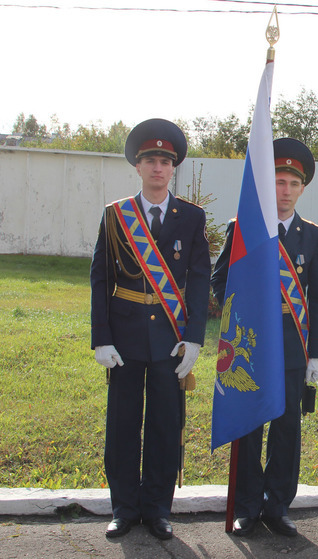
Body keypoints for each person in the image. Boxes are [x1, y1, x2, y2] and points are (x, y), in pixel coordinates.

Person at [90, 118, 211, 540]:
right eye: (150, 161)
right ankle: (123, 508)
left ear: (173, 168)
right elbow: (101, 278)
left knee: (164, 423)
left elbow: (199, 278)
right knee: (123, 424)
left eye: (165, 161)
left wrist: (195, 336)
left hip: (170, 340)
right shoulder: (116, 215)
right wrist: (101, 337)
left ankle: (159, 508)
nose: (158, 168)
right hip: (123, 337)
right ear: (137, 167)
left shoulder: (191, 218)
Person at [211, 137, 318, 538]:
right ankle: (246, 505)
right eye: (279, 181)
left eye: (293, 184)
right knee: (249, 426)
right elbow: (218, 279)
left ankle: (277, 506)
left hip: (293, 346)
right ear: (268, 184)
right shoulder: (243, 228)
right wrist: (236, 316)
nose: (286, 190)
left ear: (302, 188)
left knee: (286, 428)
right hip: (251, 344)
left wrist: (317, 355)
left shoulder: (312, 236)